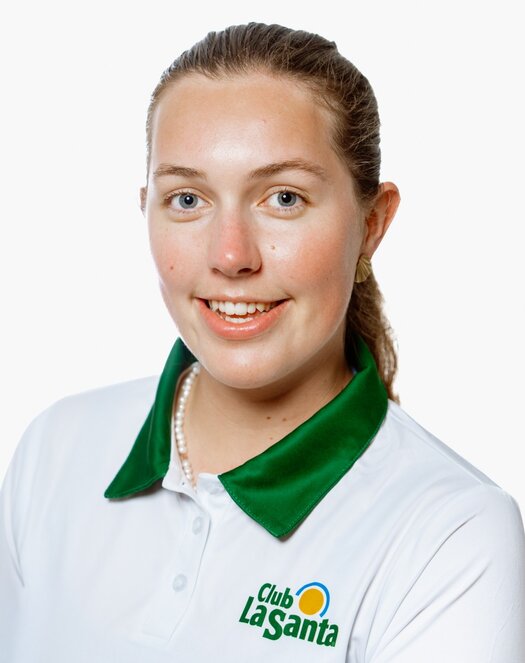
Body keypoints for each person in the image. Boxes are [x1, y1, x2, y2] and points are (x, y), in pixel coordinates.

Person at [1, 22, 524, 662]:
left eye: (283, 198)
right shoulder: (55, 450)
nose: (230, 256)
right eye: (187, 199)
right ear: (145, 209)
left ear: (372, 223)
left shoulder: (453, 535)